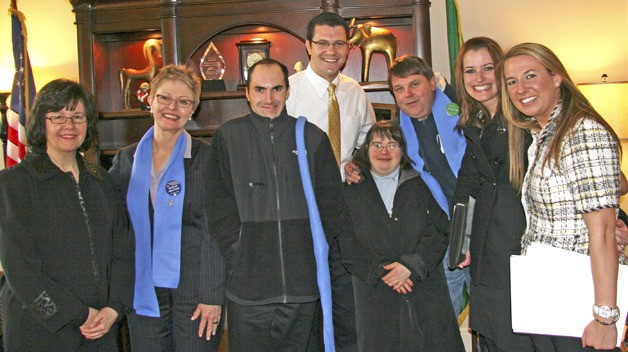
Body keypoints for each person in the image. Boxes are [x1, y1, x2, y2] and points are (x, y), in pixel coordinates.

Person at [206, 58, 342, 351]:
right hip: (248, 288)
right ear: (247, 93)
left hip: (302, 287)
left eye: (276, 89)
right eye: (260, 89)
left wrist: (310, 248)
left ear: (287, 91)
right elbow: (216, 206)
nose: (268, 98)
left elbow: (332, 206)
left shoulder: (311, 137)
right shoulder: (227, 137)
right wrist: (238, 246)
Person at [501, 42, 624, 351]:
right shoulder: (544, 134)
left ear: (556, 78)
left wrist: (605, 318)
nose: (521, 88)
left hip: (580, 301)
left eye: (530, 75)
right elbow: (610, 186)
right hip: (551, 293)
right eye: (512, 81)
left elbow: (604, 231)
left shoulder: (581, 131)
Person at [0, 79, 135, 351]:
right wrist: (80, 314)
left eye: (77, 116)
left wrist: (114, 308)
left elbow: (124, 251)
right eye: (58, 117)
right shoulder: (12, 185)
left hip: (101, 328)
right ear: (42, 122)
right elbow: (20, 270)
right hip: (42, 330)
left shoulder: (103, 183)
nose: (69, 125)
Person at [109, 64, 225, 352]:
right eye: (164, 98)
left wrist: (213, 295)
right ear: (150, 100)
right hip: (142, 286)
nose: (172, 107)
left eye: (183, 101)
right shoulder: (126, 160)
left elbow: (217, 230)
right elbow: (113, 223)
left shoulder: (208, 158)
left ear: (192, 110)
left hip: (196, 288)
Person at [345, 55, 469, 316]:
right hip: (446, 233)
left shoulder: (463, 110)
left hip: (482, 227)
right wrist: (354, 165)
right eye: (399, 89)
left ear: (433, 83)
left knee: (495, 316)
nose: (408, 95)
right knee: (445, 316)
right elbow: (379, 153)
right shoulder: (402, 128)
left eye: (415, 85)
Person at [286, 12, 376, 350]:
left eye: (339, 43)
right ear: (308, 46)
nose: (331, 50)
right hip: (301, 209)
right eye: (323, 42)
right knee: (306, 297)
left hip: (344, 211)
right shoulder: (288, 92)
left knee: (344, 298)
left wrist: (357, 161)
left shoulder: (354, 92)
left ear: (349, 48)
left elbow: (368, 138)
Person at [340, 120, 465, 352]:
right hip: (374, 293)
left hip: (423, 286)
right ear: (365, 150)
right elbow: (345, 242)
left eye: (392, 145)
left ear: (403, 150)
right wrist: (384, 272)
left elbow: (438, 231)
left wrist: (410, 266)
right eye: (376, 145)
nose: (384, 152)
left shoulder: (424, 184)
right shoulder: (349, 191)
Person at [451, 37, 535, 352]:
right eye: (471, 71)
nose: (480, 79)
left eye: (488, 68)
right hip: (486, 259)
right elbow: (466, 190)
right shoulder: (477, 127)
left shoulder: (525, 121)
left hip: (519, 257)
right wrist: (461, 244)